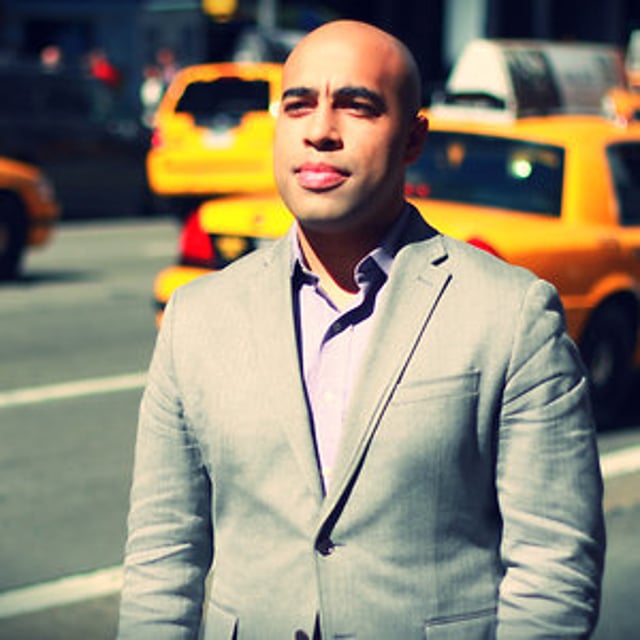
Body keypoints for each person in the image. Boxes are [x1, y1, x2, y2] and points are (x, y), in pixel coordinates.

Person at [117, 20, 605, 640]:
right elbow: (162, 558)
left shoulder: (511, 314)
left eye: (356, 106)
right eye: (298, 105)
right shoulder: (197, 316)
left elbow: (554, 570)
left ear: (413, 138)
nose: (320, 130)